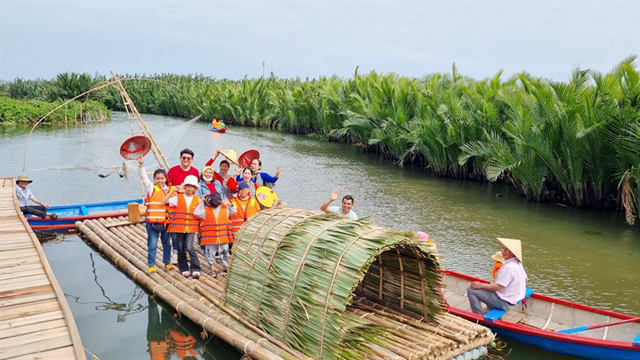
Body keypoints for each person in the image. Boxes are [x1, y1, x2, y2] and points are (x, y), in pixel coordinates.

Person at [467, 238, 527, 315]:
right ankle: (489, 308)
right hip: (512, 299)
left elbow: (499, 287)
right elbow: (525, 279)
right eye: (503, 248)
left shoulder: (509, 267)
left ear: (512, 253)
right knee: (488, 287)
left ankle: (478, 316)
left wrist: (481, 285)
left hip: (504, 303)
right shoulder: (518, 264)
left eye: (507, 249)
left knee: (471, 289)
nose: (503, 251)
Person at [139, 159, 175, 273]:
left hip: (165, 222)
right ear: (154, 179)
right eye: (157, 178)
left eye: (162, 178)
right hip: (152, 223)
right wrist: (141, 165)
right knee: (152, 244)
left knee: (167, 244)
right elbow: (144, 177)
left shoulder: (170, 190)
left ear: (166, 179)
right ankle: (151, 264)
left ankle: (167, 262)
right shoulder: (151, 188)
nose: (160, 181)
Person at [163, 175, 201, 279]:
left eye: (192, 186)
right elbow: (164, 201)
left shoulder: (198, 200)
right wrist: (172, 191)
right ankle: (183, 268)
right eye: (188, 186)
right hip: (179, 228)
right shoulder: (178, 197)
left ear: (195, 188)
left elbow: (202, 214)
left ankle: (196, 268)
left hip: (191, 228)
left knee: (189, 248)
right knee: (180, 248)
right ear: (184, 187)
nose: (190, 188)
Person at [195, 193, 236, 277]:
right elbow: (196, 213)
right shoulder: (205, 210)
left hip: (223, 236)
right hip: (210, 237)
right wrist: (201, 203)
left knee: (224, 253)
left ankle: (225, 266)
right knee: (210, 253)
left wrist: (230, 204)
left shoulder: (225, 208)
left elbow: (234, 211)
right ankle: (212, 268)